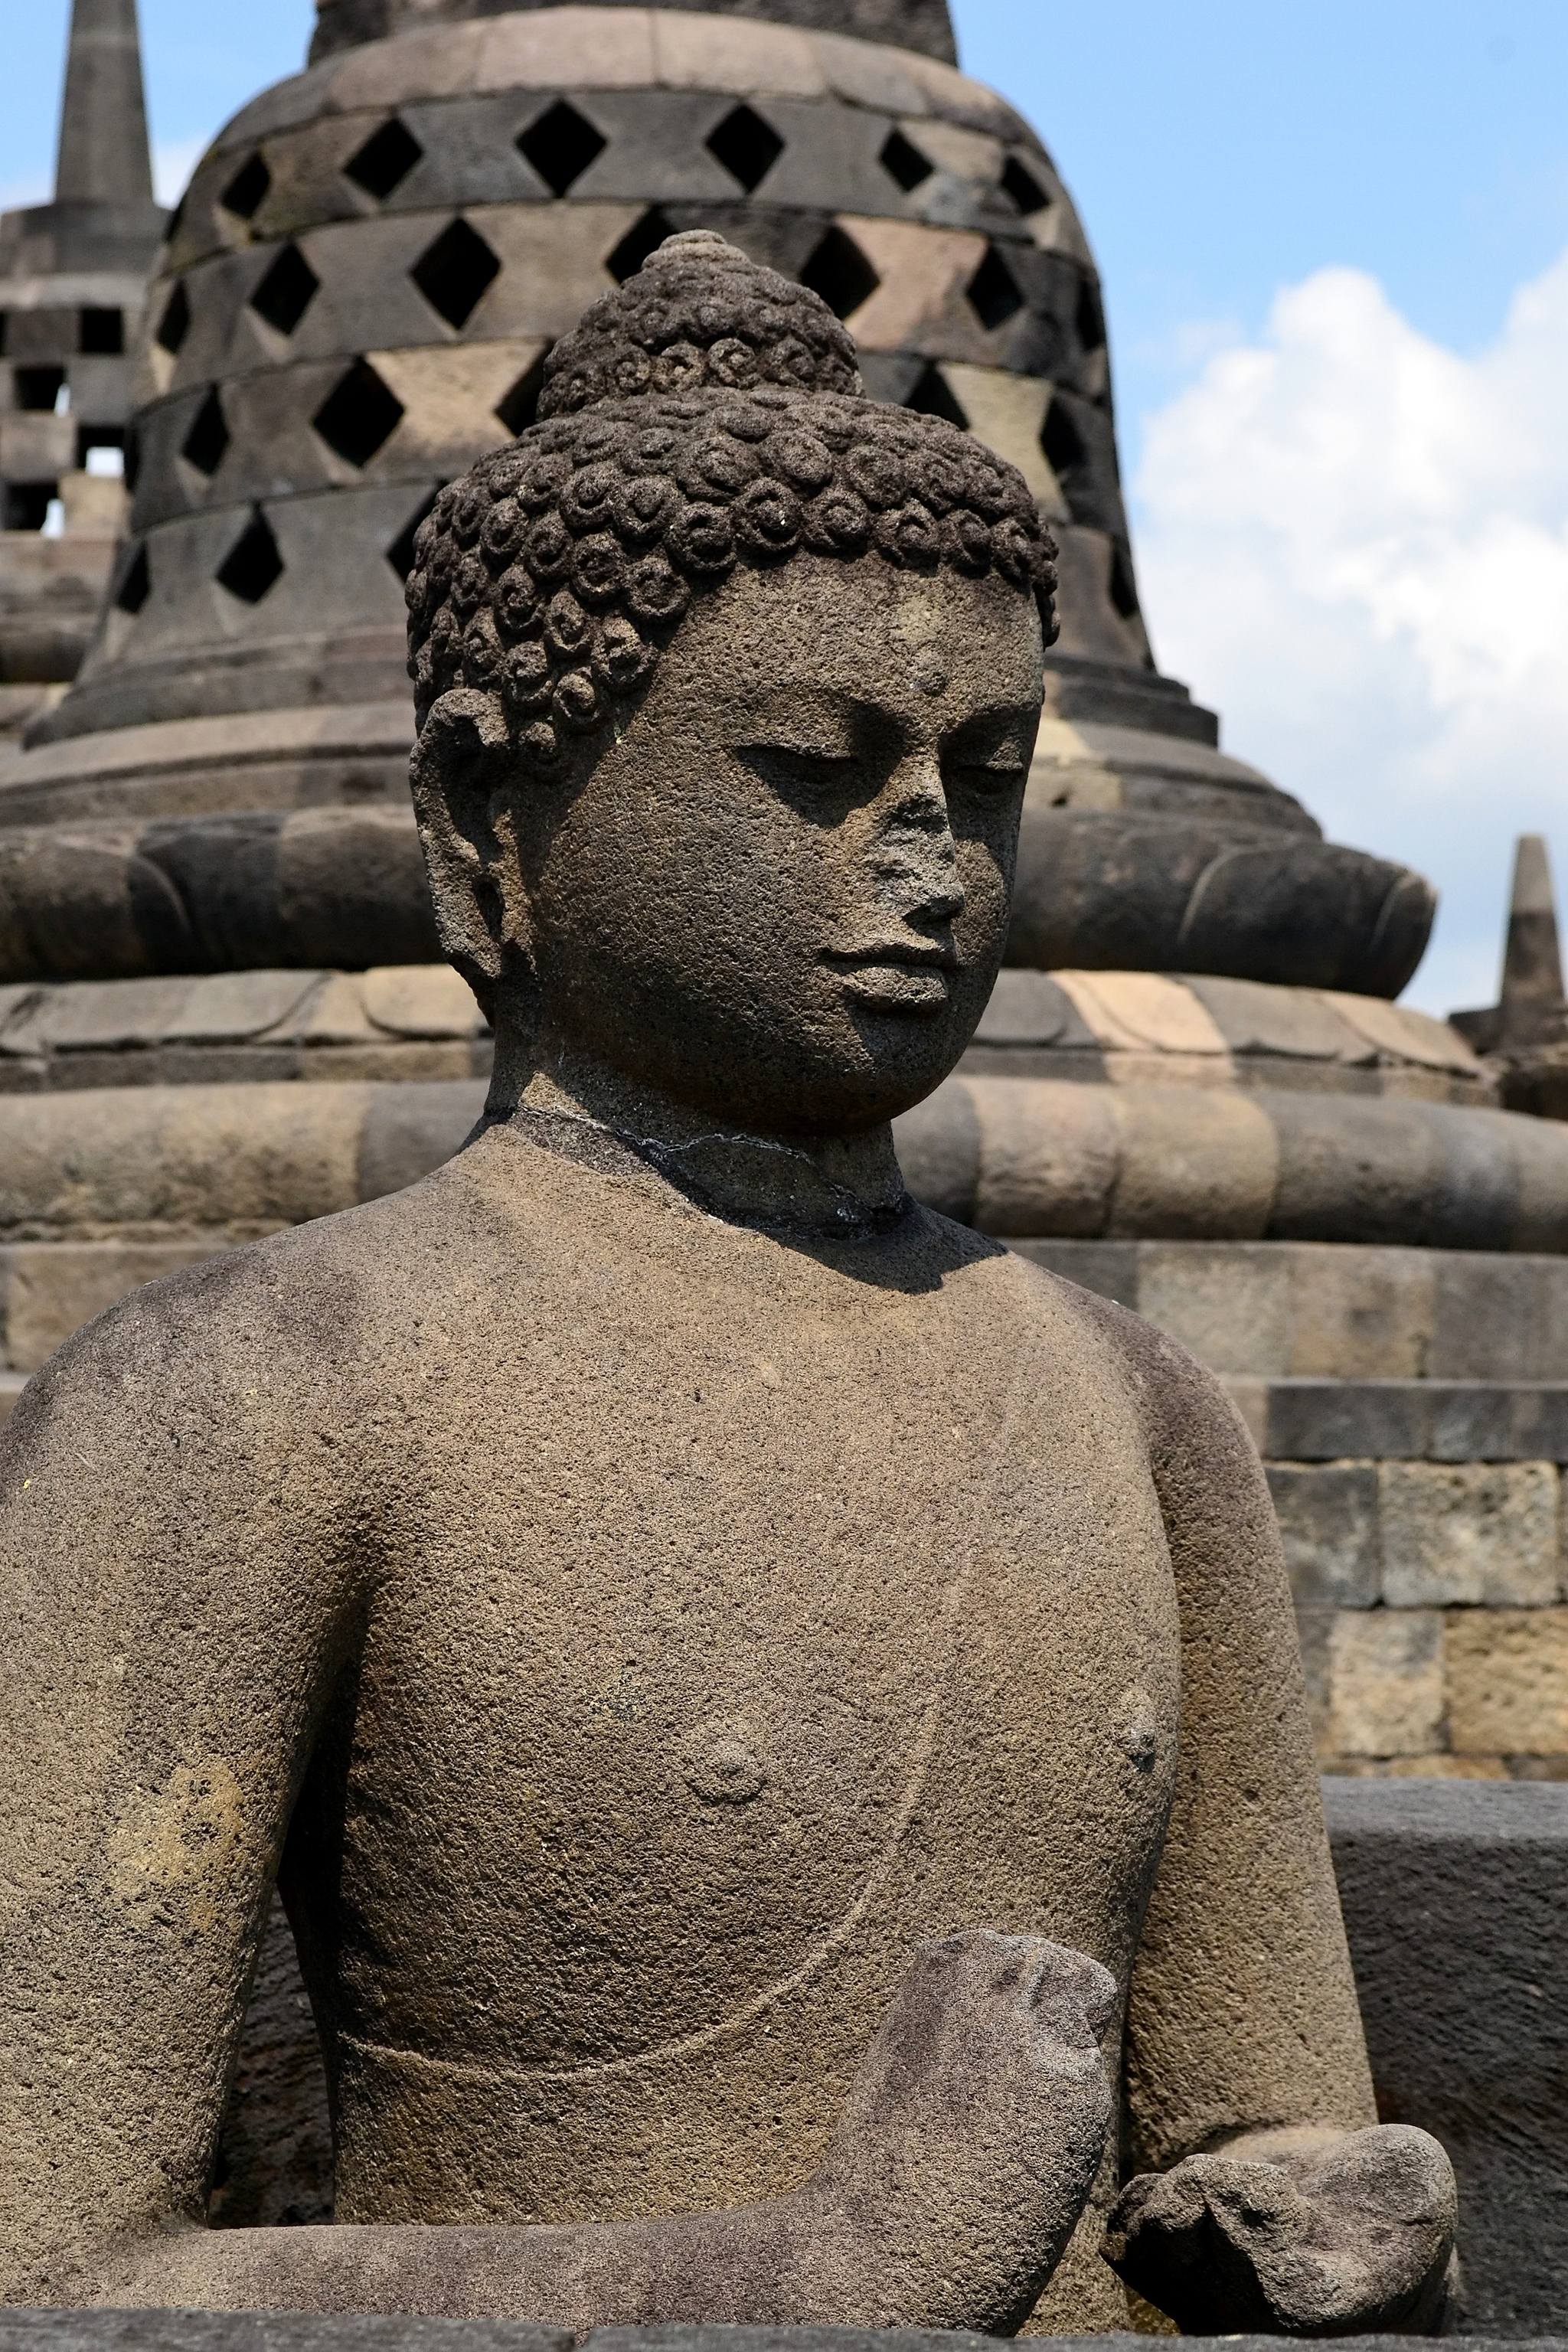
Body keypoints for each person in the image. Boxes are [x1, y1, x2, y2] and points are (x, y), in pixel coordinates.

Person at [0, 234, 1454, 2335]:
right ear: (489, 824)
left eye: (980, 779)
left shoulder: (1132, 1406)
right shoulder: (249, 1393)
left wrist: (1304, 2215)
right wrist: (804, 2275)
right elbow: (37, 2264)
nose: (932, 861)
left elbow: (1247, 2120)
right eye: (813, 769)